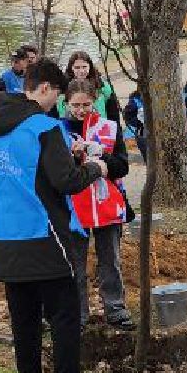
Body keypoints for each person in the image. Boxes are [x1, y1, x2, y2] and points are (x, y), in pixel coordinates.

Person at [0, 58, 108, 373]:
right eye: (57, 97)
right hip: (42, 234)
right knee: (64, 315)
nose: (56, 106)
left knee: (24, 316)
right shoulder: (43, 128)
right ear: (45, 88)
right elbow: (66, 181)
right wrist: (94, 168)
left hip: (1, 235)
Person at [62, 80, 133, 330]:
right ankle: (78, 314)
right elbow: (55, 172)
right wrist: (73, 157)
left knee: (110, 260)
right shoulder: (58, 130)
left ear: (95, 102)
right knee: (75, 263)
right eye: (75, 105)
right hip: (73, 208)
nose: (81, 110)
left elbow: (122, 166)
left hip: (106, 204)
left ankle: (115, 308)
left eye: (86, 104)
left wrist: (102, 154)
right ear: (66, 103)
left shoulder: (109, 127)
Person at [59, 50, 122, 124]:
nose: (81, 71)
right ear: (71, 68)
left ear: (90, 67)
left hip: (99, 126)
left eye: (84, 67)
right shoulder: (62, 89)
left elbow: (114, 115)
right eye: (77, 67)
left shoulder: (103, 88)